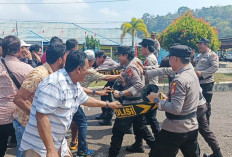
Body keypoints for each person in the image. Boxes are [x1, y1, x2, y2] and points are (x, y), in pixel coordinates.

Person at [19, 50, 121, 157]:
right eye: (87, 69)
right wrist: (50, 150)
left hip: (57, 140)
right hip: (40, 145)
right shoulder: (54, 84)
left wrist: (108, 104)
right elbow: (41, 116)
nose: (89, 71)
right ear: (78, 69)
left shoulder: (73, 82)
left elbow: (85, 99)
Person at [145, 58, 223, 157]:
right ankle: (217, 152)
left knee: (192, 131)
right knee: (196, 135)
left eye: (171, 60)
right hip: (196, 108)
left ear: (176, 59)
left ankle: (217, 152)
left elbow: (176, 108)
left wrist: (157, 101)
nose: (170, 64)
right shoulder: (188, 68)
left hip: (193, 108)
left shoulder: (181, 76)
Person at [13, 43, 67, 157]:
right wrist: (39, 116)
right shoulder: (39, 74)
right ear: (60, 60)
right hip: (25, 123)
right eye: (67, 56)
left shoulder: (52, 74)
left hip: (36, 124)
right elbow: (19, 99)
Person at [147, 44, 200, 157]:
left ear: (174, 59)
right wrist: (168, 99)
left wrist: (156, 100)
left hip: (176, 129)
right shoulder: (191, 71)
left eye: (170, 58)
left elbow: (176, 109)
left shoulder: (179, 80)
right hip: (192, 126)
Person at [70, 50, 121, 156]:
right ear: (90, 61)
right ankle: (82, 150)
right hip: (76, 99)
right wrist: (120, 76)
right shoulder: (88, 71)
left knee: (75, 122)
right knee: (82, 122)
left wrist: (97, 92)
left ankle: (74, 142)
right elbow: (106, 78)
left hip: (75, 97)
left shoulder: (69, 71)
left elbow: (80, 88)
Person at [108, 46, 155, 157]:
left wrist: (121, 93)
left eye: (119, 55)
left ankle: (112, 154)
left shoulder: (130, 67)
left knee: (118, 130)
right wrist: (124, 82)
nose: (118, 57)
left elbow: (139, 85)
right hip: (138, 100)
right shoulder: (136, 61)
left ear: (126, 55)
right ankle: (158, 149)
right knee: (141, 128)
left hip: (131, 103)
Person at [0, 35, 33, 157]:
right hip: (18, 116)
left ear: (2, 49)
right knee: (22, 149)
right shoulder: (26, 69)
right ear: (19, 50)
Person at [126, 38, 160, 153]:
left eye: (142, 47)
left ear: (146, 48)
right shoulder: (153, 57)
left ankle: (153, 143)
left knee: (142, 120)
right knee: (147, 119)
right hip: (152, 90)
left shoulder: (148, 60)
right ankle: (143, 143)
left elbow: (146, 74)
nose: (141, 49)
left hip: (148, 91)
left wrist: (142, 69)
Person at [191, 38, 219, 124]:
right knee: (197, 102)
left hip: (207, 83)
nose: (199, 46)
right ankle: (199, 121)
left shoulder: (212, 55)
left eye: (201, 44)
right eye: (198, 44)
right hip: (198, 82)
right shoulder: (200, 55)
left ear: (206, 44)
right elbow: (194, 64)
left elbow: (215, 67)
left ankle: (206, 122)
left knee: (206, 103)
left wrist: (202, 73)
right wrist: (191, 58)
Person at [95, 50, 119, 126]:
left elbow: (98, 70)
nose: (96, 60)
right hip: (112, 80)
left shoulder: (107, 62)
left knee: (108, 97)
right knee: (103, 94)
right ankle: (104, 113)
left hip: (116, 81)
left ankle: (108, 119)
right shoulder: (105, 60)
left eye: (97, 59)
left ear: (101, 57)